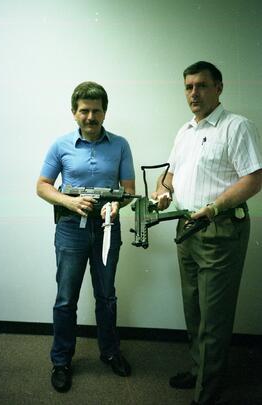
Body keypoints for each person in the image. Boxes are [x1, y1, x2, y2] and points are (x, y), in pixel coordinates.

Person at [152, 61, 262, 405]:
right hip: (187, 228)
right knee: (194, 309)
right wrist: (162, 192)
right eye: (188, 86)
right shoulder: (184, 131)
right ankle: (202, 370)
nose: (193, 93)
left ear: (219, 87)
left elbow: (254, 178)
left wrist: (214, 207)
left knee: (214, 315)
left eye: (201, 85)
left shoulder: (237, 127)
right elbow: (168, 175)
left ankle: (208, 391)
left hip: (220, 229)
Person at [36, 81, 135, 392]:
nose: (90, 116)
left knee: (106, 296)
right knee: (66, 298)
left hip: (107, 227)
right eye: (84, 111)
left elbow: (129, 190)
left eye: (96, 110)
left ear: (105, 112)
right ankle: (61, 360)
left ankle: (109, 352)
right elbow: (42, 185)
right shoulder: (60, 145)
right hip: (70, 228)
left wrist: (116, 206)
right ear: (74, 112)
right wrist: (69, 201)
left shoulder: (120, 145)